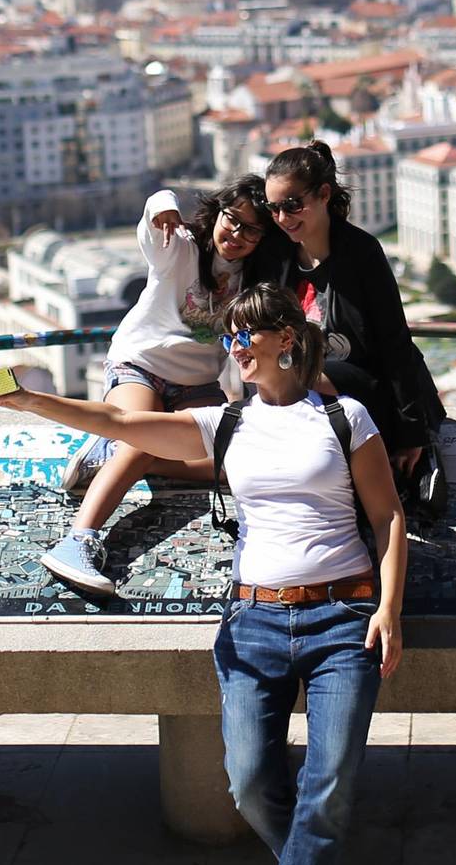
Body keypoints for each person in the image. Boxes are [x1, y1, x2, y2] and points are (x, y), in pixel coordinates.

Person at [0, 284, 404, 865]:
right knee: (245, 778)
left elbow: (388, 517)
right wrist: (33, 400)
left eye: (246, 334)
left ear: (286, 340)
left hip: (342, 613)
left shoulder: (344, 417)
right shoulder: (226, 423)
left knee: (331, 776)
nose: (234, 346)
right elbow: (120, 425)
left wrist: (388, 607)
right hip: (254, 619)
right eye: (230, 335)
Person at [39, 178, 287, 595]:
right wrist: (164, 207)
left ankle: (111, 453)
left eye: (252, 229)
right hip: (141, 364)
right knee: (139, 434)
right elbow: (154, 216)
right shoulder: (182, 248)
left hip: (195, 383)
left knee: (231, 464)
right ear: (218, 213)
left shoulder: (251, 279)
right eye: (233, 221)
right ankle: (78, 540)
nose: (238, 235)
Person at [262, 141, 447, 512]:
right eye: (274, 208)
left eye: (292, 205)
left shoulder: (361, 253)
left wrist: (412, 432)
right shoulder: (277, 256)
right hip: (307, 398)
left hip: (365, 387)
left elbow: (395, 344)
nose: (283, 217)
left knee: (294, 372)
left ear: (324, 195)